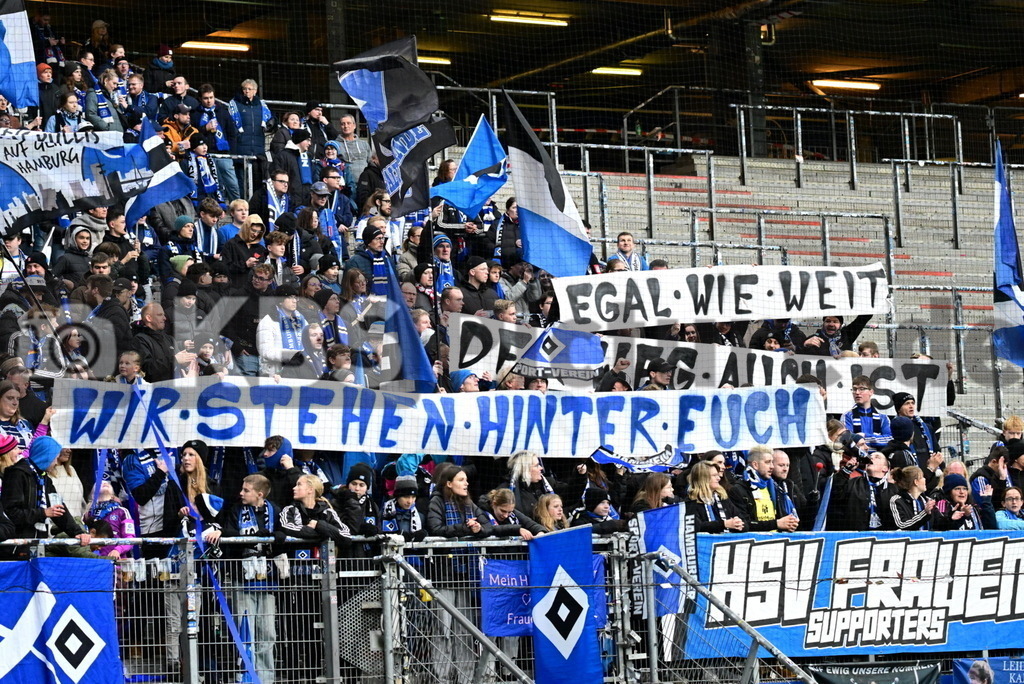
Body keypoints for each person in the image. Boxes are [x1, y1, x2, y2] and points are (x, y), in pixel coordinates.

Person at [217, 473, 279, 684]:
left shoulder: (275, 511)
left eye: (246, 490)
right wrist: (252, 541)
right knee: (246, 633)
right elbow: (229, 536)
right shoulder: (235, 510)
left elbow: (282, 537)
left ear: (259, 494)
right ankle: (246, 679)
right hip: (241, 580)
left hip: (268, 580)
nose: (241, 493)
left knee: (268, 634)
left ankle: (266, 679)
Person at [1, 435, 90, 558]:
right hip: (14, 548)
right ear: (45, 456)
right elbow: (11, 513)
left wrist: (78, 532)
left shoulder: (44, 478)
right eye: (55, 458)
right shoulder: (17, 474)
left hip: (36, 545)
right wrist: (43, 513)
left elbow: (59, 509)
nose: (55, 462)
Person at [728, 445, 800, 532]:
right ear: (755, 465)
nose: (772, 466)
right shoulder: (738, 490)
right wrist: (776, 524)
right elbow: (743, 525)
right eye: (767, 462)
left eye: (772, 462)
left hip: (776, 541)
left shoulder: (775, 487)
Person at [685, 461, 745, 533]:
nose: (719, 478)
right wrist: (724, 524)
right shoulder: (690, 502)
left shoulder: (723, 498)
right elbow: (696, 527)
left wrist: (737, 524)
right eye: (714, 475)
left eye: (718, 475)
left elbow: (744, 522)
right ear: (703, 478)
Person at [841, 375, 892, 451]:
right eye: (854, 389)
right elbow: (846, 440)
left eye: (862, 389)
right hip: (856, 459)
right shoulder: (847, 416)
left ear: (871, 392)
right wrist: (877, 439)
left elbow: (890, 440)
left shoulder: (883, 418)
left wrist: (865, 436)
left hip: (878, 459)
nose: (857, 393)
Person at [885, 466, 935, 531]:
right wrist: (925, 513)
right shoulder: (896, 500)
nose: (925, 479)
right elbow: (902, 525)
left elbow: (939, 523)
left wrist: (951, 517)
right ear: (916, 482)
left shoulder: (927, 500)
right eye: (922, 477)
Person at [802, 314, 872, 357]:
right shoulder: (813, 339)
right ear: (823, 323)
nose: (831, 324)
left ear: (840, 325)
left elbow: (863, 318)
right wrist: (805, 345)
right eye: (828, 321)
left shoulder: (847, 335)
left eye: (835, 321)